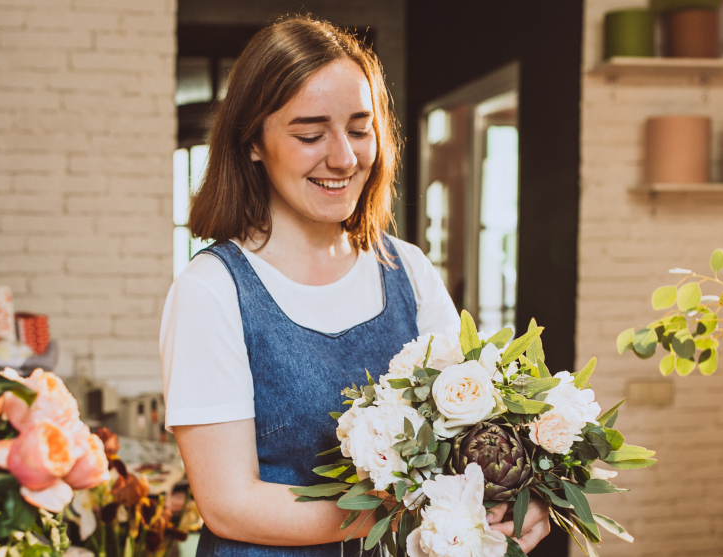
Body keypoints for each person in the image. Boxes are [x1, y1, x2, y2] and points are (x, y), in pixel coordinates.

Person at [159, 16, 551, 557]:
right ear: (253, 142)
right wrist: (412, 507)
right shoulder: (212, 291)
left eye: (360, 129)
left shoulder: (408, 270)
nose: (344, 157)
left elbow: (468, 439)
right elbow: (230, 504)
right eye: (309, 134)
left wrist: (516, 501)